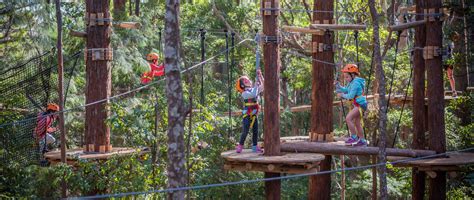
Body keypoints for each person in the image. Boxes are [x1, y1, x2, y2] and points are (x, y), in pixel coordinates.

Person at [335, 64, 368, 147]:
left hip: (360, 104)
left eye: (347, 77)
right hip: (359, 104)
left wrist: (341, 95)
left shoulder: (356, 83)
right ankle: (362, 140)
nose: (346, 79)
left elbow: (350, 96)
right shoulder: (351, 82)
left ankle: (354, 137)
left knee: (348, 118)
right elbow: (346, 90)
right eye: (345, 77)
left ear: (352, 75)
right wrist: (338, 85)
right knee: (357, 123)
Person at [235, 70, 264, 153]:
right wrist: (256, 83)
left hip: (254, 114)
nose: (247, 80)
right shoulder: (244, 93)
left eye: (247, 79)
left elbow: (264, 86)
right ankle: (240, 145)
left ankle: (255, 146)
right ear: (242, 85)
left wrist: (260, 76)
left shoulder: (254, 89)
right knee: (245, 130)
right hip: (247, 114)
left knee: (256, 130)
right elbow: (253, 94)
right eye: (245, 80)